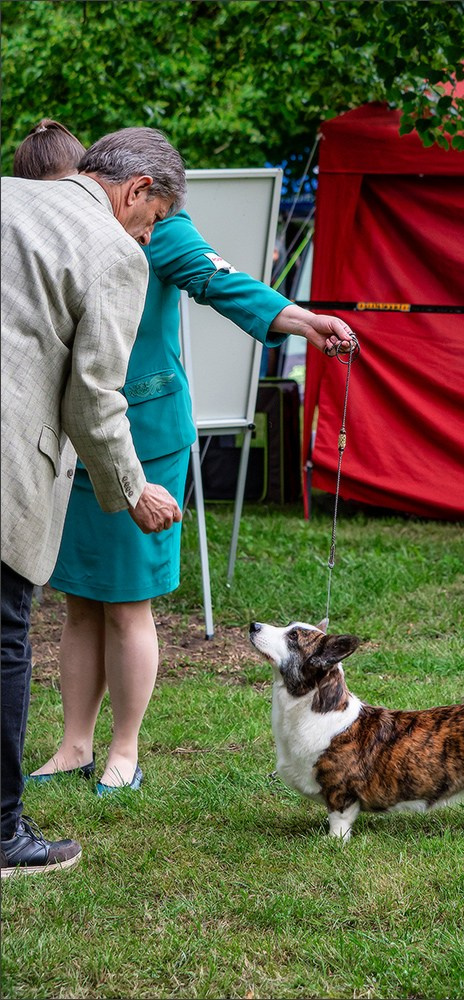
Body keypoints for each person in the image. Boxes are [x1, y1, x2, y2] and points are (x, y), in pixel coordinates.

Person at [17, 122, 358, 798]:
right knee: (78, 603)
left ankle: (124, 749)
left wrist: (302, 319)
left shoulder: (160, 228)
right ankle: (73, 745)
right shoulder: (53, 223)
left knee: (127, 604)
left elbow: (221, 283)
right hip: (74, 444)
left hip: (145, 437)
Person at [1, 126, 187, 877]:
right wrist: (132, 489)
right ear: (135, 190)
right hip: (9, 461)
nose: (145, 237)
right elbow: (94, 397)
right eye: (150, 221)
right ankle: (4, 834)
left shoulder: (9, 196)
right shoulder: (113, 252)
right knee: (4, 637)